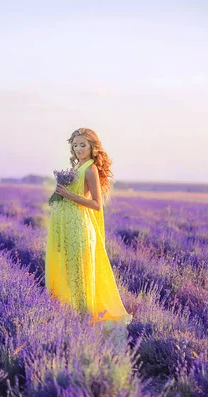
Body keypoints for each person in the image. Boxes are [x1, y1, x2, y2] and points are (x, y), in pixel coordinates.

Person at [45, 127, 132, 331]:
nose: (78, 149)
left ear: (93, 147)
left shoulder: (90, 169)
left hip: (79, 227)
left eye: (82, 145)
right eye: (75, 145)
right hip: (64, 227)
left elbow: (96, 204)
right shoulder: (78, 166)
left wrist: (68, 195)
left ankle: (84, 322)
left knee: (80, 275)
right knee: (67, 272)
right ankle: (71, 317)